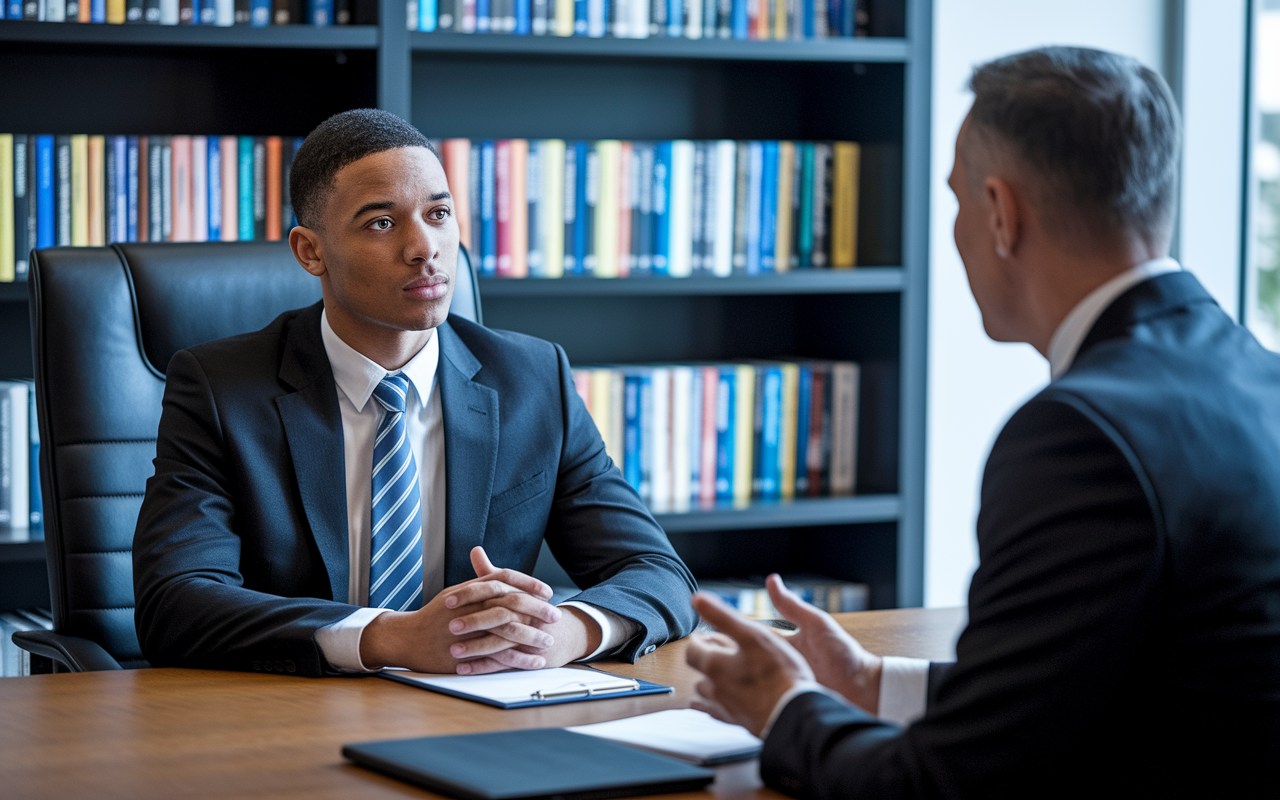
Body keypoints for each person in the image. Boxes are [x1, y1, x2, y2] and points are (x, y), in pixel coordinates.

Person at [686, 46, 1280, 797]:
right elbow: (1141, 687)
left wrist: (785, 707)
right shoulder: (1260, 378)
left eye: (957, 201)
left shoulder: (1081, 433)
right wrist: (870, 681)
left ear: (1001, 214)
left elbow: (944, 784)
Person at [133, 109, 697, 678]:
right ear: (311, 252)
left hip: (480, 718)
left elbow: (657, 571)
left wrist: (561, 632)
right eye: (382, 223)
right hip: (291, 714)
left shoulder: (532, 377)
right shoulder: (219, 388)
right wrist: (389, 639)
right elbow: (175, 603)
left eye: (439, 213)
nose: (424, 247)